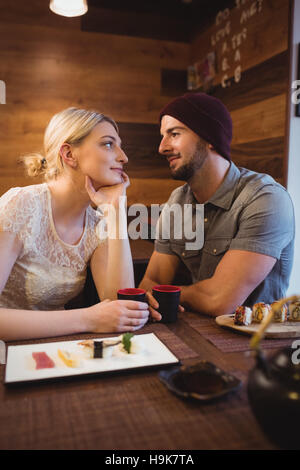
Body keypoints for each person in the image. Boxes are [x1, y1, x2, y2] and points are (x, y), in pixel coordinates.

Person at [0, 107, 150, 341]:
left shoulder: (98, 224)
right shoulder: (20, 205)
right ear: (69, 154)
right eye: (109, 144)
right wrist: (88, 318)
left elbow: (122, 307)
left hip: (57, 349)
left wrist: (116, 211)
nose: (123, 157)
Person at [140, 92, 295, 317]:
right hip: (197, 330)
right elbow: (151, 282)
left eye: (174, 134)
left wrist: (169, 294)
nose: (162, 147)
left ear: (209, 138)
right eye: (163, 136)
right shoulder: (177, 201)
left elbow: (220, 300)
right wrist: (163, 293)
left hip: (255, 344)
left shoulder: (264, 199)